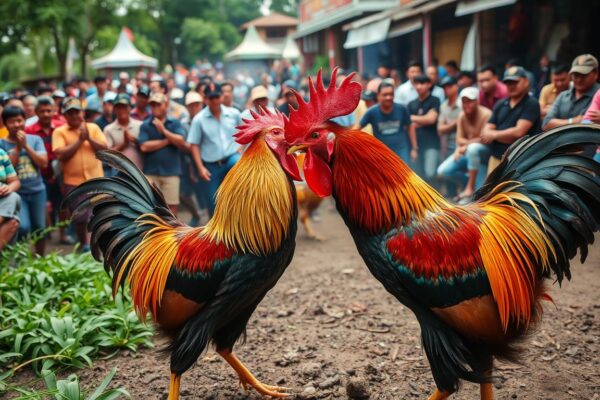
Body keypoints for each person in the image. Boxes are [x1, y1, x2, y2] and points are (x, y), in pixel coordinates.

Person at [52, 98, 108, 251]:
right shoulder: (59, 131)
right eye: (70, 113)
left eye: (77, 112)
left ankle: (94, 245)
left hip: (96, 179)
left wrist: (88, 138)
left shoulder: (93, 127)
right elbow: (60, 154)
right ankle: (84, 244)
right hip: (73, 182)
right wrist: (79, 141)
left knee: (98, 214)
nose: (74, 116)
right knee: (80, 217)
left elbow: (104, 149)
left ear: (82, 113)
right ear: (64, 115)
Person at [187, 83, 242, 216]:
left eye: (217, 97)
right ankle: (216, 234)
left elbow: (243, 133)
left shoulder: (234, 114)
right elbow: (194, 144)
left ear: (222, 97)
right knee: (213, 205)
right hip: (211, 166)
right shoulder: (199, 120)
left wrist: (240, 149)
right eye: (211, 98)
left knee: (239, 168)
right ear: (205, 99)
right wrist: (200, 168)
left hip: (231, 158)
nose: (214, 101)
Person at [0, 106, 48, 254]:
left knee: (40, 227)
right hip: (17, 192)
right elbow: (10, 169)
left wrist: (26, 145)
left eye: (19, 120)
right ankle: (20, 258)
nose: (16, 125)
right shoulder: (2, 144)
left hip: (37, 190)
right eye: (12, 121)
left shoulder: (35, 139)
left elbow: (43, 163)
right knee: (23, 226)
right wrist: (18, 148)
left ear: (24, 121)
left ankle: (41, 257)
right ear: (5, 124)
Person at [24, 96, 71, 245]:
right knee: (43, 205)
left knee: (63, 204)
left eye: (48, 111)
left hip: (59, 172)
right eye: (42, 111)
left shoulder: (61, 126)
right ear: (36, 112)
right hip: (38, 172)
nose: (45, 114)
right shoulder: (29, 130)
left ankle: (63, 234)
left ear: (54, 111)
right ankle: (45, 234)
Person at [480, 66, 541, 174]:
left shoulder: (531, 104)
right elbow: (485, 132)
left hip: (519, 162)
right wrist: (504, 136)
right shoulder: (500, 104)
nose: (511, 86)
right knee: (493, 190)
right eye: (508, 83)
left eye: (515, 82)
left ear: (526, 82)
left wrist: (494, 135)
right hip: (496, 158)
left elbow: (518, 132)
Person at [437, 87, 492, 200]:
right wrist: (461, 147)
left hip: (483, 155)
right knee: (442, 171)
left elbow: (484, 139)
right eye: (464, 101)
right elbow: (459, 139)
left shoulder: (486, 114)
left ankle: (471, 188)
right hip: (467, 152)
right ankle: (468, 183)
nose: (467, 105)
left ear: (477, 101)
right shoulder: (462, 115)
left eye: (470, 101)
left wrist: (465, 146)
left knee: (479, 196)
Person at [138, 92, 187, 215]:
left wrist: (164, 131)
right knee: (150, 209)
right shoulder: (145, 125)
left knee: (172, 209)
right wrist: (168, 140)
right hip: (151, 172)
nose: (155, 107)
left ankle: (171, 235)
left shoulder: (174, 123)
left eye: (158, 105)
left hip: (171, 172)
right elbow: (144, 147)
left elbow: (181, 141)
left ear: (166, 105)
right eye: (153, 105)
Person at [359, 80, 414, 163]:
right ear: (378, 96)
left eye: (391, 94)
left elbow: (410, 127)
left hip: (401, 152)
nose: (388, 97)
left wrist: (414, 148)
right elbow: (356, 129)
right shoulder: (372, 112)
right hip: (382, 154)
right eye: (385, 95)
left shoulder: (402, 109)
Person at [542, 54, 599, 130]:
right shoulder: (563, 96)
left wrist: (558, 123)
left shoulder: (598, 95)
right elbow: (546, 124)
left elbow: (585, 125)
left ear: (596, 74)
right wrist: (572, 121)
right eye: (576, 75)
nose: (579, 79)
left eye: (584, 75)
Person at [407, 74, 441, 188]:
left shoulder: (434, 100)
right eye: (416, 84)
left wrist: (412, 118)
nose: (419, 86)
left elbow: (431, 119)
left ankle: (436, 200)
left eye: (422, 83)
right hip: (415, 145)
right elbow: (408, 126)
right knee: (418, 175)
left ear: (429, 84)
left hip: (431, 143)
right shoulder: (411, 104)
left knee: (430, 173)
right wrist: (423, 120)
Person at [181, 91, 206, 226]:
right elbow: (186, 144)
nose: (194, 107)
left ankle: (205, 216)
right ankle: (196, 214)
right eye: (191, 105)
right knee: (184, 193)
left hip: (207, 159)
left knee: (206, 192)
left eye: (197, 104)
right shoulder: (183, 123)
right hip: (187, 161)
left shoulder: (207, 119)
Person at [103, 93, 143, 170]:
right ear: (114, 109)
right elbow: (107, 155)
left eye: (124, 107)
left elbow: (145, 147)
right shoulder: (108, 129)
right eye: (118, 107)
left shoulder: (140, 126)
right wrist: (124, 144)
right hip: (118, 172)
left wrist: (136, 141)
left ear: (130, 108)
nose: (121, 110)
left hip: (139, 172)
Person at [437, 76, 461, 197]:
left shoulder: (463, 103)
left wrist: (449, 125)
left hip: (462, 144)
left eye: (450, 86)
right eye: (445, 87)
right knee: (447, 177)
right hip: (448, 144)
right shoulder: (443, 106)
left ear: (456, 86)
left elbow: (462, 123)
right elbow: (440, 129)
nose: (447, 89)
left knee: (458, 170)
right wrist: (455, 123)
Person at [0, 147, 20, 250]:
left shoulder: (1, 153)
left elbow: (15, 182)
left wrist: (8, 188)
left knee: (13, 197)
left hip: (3, 200)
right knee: (12, 223)